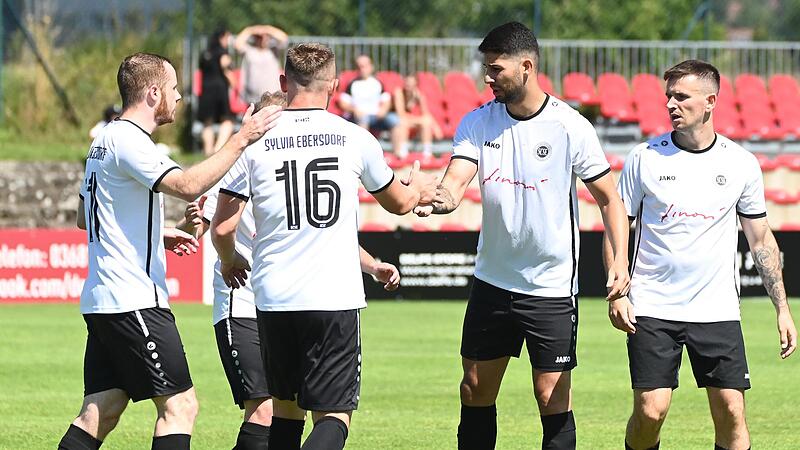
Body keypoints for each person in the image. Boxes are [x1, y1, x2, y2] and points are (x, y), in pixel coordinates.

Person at [413, 22, 630, 449]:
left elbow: (610, 199)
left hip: (550, 287)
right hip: (493, 281)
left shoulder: (570, 126)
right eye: (485, 69)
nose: (487, 78)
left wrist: (619, 261)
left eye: (495, 69)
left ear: (527, 66)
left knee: (550, 396)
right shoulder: (477, 122)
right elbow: (454, 185)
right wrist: (430, 198)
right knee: (474, 389)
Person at [210, 43, 437, 450]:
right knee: (334, 416)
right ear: (334, 85)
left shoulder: (254, 143)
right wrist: (417, 187)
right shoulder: (355, 138)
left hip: (274, 298)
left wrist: (230, 261)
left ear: (283, 82)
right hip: (333, 296)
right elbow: (401, 203)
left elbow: (223, 226)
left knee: (285, 412)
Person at [58, 52, 281, 450]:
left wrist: (160, 234)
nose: (179, 98)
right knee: (180, 406)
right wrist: (241, 138)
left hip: (104, 299)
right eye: (174, 89)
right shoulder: (129, 140)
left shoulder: (105, 141)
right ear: (153, 92)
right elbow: (188, 185)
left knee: (102, 410)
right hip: (134, 300)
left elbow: (85, 217)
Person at [178, 89, 401, 450]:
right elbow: (207, 223)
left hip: (276, 303)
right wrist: (193, 228)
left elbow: (331, 236)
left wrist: (372, 266)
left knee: (286, 410)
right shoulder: (244, 160)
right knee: (267, 410)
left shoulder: (272, 159)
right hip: (242, 305)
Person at [603, 60, 797, 450]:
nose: (671, 105)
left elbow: (760, 238)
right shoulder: (644, 157)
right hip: (654, 306)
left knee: (731, 412)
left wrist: (782, 308)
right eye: (668, 97)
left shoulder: (740, 162)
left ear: (710, 101)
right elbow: (616, 226)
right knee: (650, 412)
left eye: (681, 97)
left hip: (717, 309)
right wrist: (618, 287)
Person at [338, 54, 403, 156]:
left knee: (394, 120)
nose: (362, 69)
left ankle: (398, 154)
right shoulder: (352, 84)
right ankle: (364, 154)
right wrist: (354, 110)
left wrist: (383, 110)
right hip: (358, 117)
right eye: (359, 66)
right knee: (363, 119)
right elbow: (343, 103)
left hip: (376, 116)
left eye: (364, 66)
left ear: (371, 67)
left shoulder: (378, 83)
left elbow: (386, 100)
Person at [198, 29, 236, 156]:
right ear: (222, 37)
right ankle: (218, 150)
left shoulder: (205, 53)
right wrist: (233, 82)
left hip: (205, 90)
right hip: (219, 90)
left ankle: (208, 151)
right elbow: (225, 66)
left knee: (207, 122)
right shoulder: (222, 52)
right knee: (228, 120)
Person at [234, 24, 289, 105]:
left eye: (265, 36)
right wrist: (251, 30)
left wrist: (267, 29)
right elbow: (237, 44)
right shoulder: (249, 51)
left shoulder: (273, 50)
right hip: (252, 98)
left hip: (272, 97)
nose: (263, 39)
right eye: (259, 37)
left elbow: (284, 39)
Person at [393, 75, 443, 158]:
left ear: (415, 84)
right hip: (401, 123)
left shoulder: (419, 95)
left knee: (426, 124)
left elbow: (426, 113)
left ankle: (427, 153)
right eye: (407, 83)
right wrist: (422, 121)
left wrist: (435, 127)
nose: (408, 85)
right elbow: (401, 114)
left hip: (413, 123)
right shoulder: (399, 93)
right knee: (403, 123)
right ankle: (403, 153)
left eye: (411, 84)